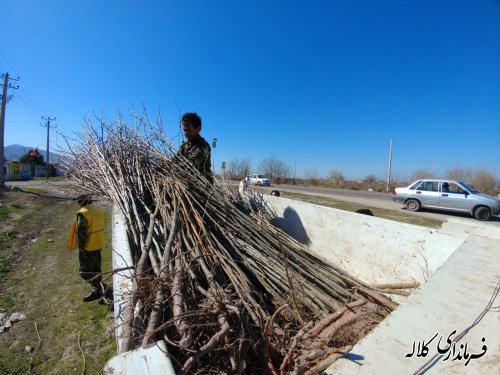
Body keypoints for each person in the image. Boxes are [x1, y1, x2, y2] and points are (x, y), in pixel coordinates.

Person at [67, 194, 111, 304]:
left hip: (89, 247)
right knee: (96, 270)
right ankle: (99, 292)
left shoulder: (83, 213)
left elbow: (82, 233)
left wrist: (82, 248)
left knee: (84, 272)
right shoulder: (97, 211)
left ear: (80, 202)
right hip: (99, 244)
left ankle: (104, 289)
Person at [177, 112, 213, 183]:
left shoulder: (203, 147)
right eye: (184, 130)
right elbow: (175, 159)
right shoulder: (184, 145)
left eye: (189, 130)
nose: (186, 133)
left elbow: (189, 167)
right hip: (187, 181)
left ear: (198, 129)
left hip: (201, 186)